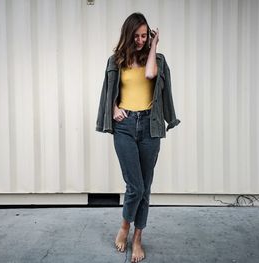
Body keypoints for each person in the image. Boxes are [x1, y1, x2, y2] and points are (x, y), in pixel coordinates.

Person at [96, 12, 180, 263]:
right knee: (136, 186)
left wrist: (154, 46)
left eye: (145, 36)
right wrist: (113, 109)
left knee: (146, 187)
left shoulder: (157, 60)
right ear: (128, 35)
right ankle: (124, 226)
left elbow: (150, 75)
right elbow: (108, 91)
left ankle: (137, 238)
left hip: (149, 126)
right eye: (137, 36)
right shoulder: (116, 60)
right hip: (125, 126)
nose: (141, 40)